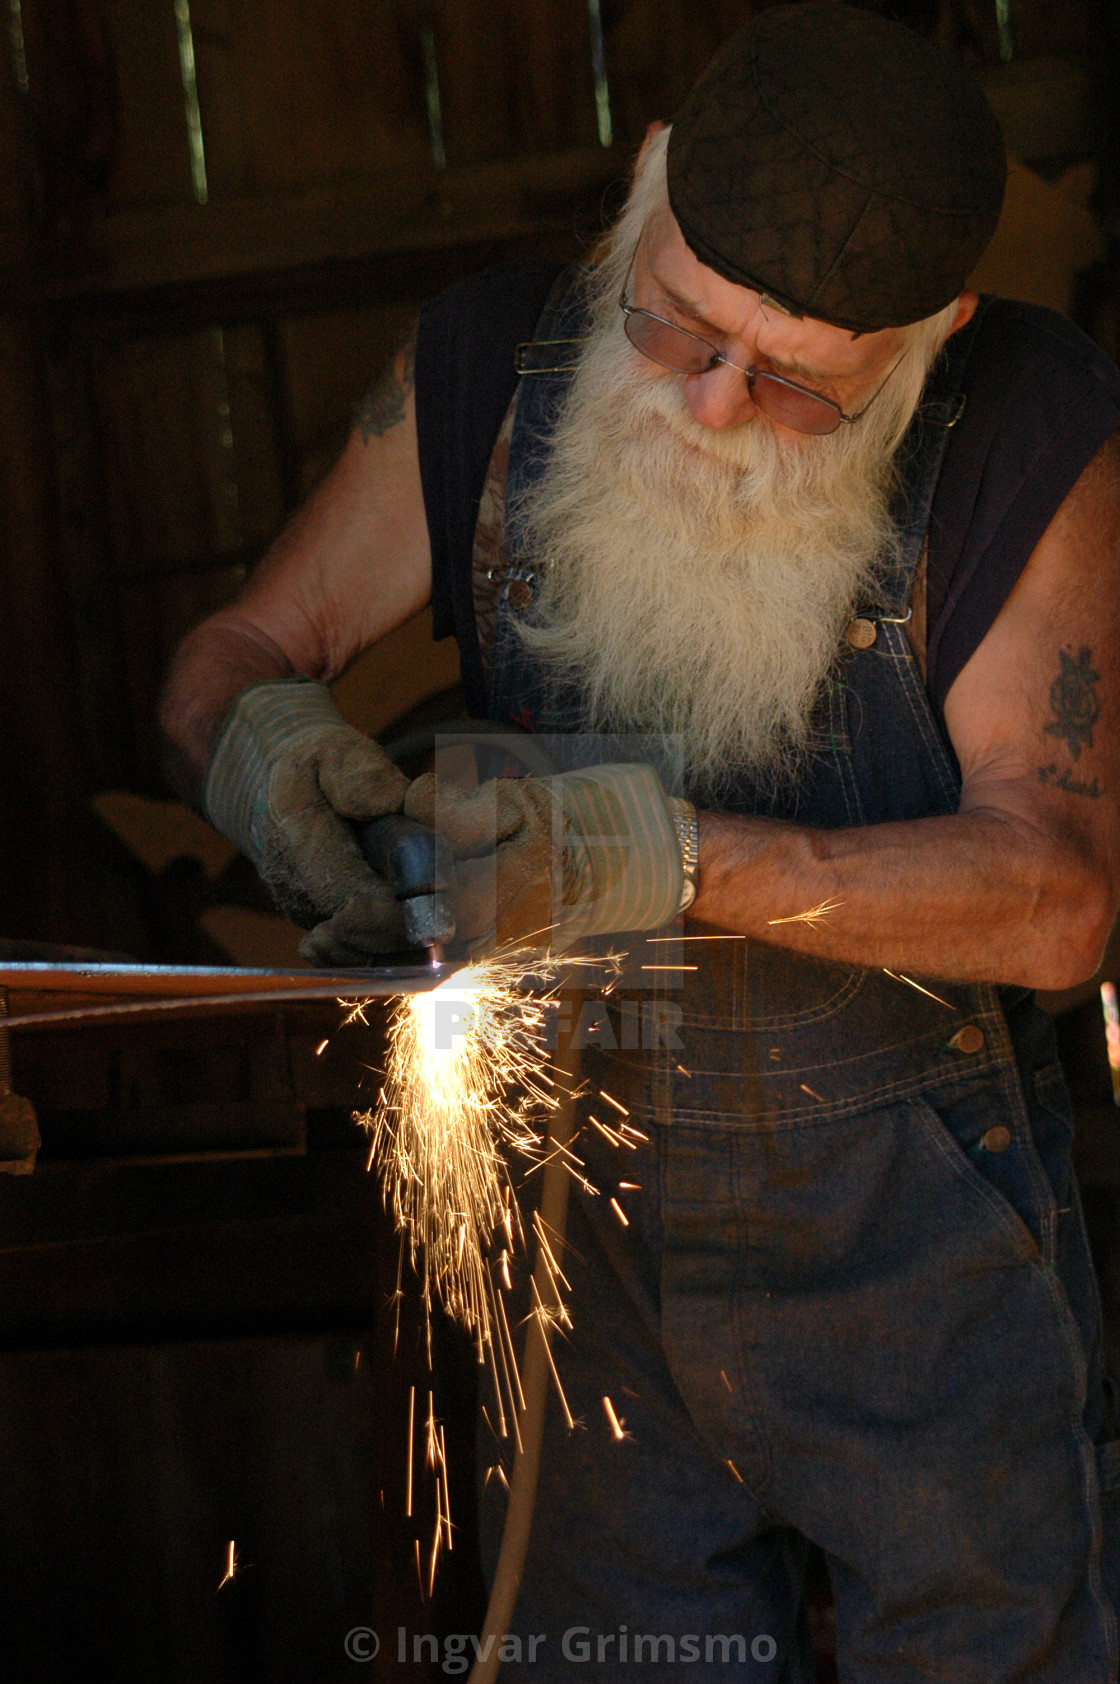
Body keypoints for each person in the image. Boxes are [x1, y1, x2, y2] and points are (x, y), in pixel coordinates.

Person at [161, 5, 1120, 1676]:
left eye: (806, 384)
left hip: (913, 1247)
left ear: (934, 332)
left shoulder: (1030, 428)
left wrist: (664, 858)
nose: (718, 402)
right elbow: (232, 656)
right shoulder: (479, 369)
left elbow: (1056, 901)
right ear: (650, 182)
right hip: (574, 1240)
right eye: (679, 328)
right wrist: (260, 749)